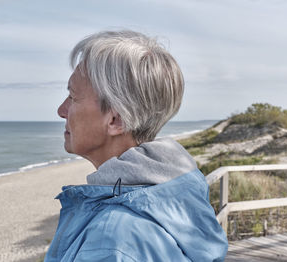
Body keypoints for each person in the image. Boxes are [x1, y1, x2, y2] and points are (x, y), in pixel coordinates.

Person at [44, 30, 228, 262]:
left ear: (115, 120)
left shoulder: (110, 243)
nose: (61, 111)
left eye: (73, 97)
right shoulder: (175, 192)